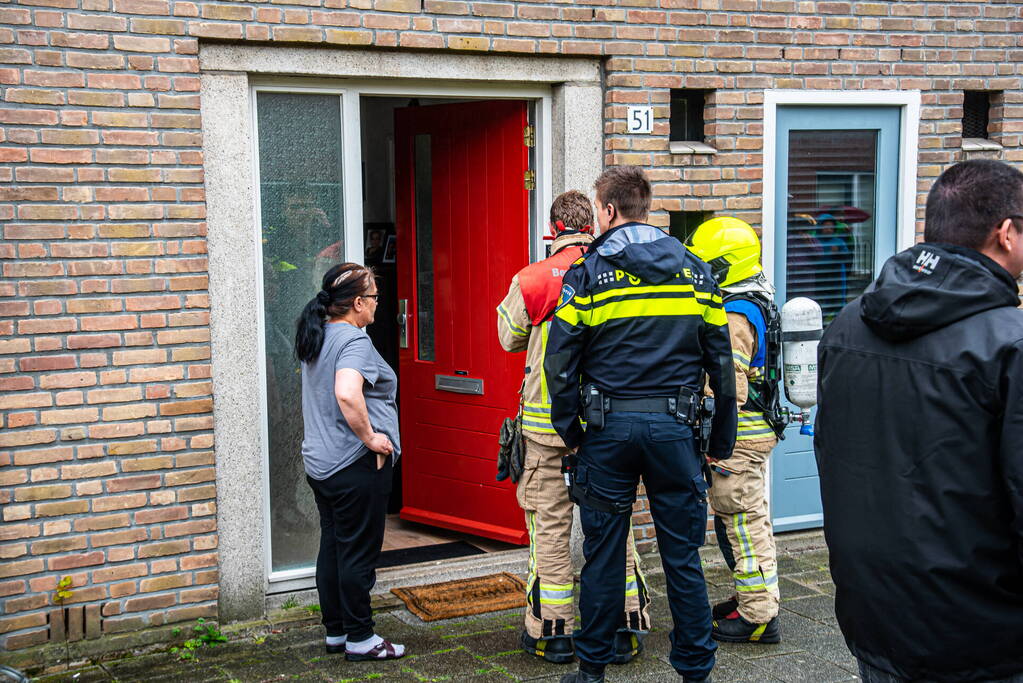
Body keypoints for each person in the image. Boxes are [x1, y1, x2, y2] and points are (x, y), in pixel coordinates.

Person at [815, 159, 1023, 682]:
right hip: (982, 638)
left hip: (875, 619)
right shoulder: (1009, 344)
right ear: (1005, 233)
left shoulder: (846, 324)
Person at [546, 166, 738, 683]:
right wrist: (720, 438)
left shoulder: (587, 275)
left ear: (606, 211)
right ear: (646, 209)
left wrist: (573, 434)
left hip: (607, 435)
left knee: (604, 555)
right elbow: (720, 364)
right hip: (677, 434)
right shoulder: (698, 273)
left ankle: (591, 671)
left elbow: (558, 364)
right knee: (682, 557)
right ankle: (696, 671)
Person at [496, 191, 651, 665]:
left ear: (553, 227)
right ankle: (626, 626)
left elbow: (507, 338)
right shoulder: (619, 273)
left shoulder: (536, 278)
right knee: (615, 528)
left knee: (550, 529)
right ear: (595, 222)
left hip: (547, 433)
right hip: (608, 428)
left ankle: (552, 632)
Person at [294, 262, 406, 662]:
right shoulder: (354, 341)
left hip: (320, 464)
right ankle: (362, 638)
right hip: (354, 465)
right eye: (374, 297)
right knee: (358, 553)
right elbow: (346, 393)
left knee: (335, 547)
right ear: (358, 303)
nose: (378, 303)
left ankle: (337, 632)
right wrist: (371, 438)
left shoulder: (318, 333)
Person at [686, 217, 785, 644]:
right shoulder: (755, 297)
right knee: (747, 519)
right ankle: (752, 598)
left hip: (739, 438)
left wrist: (715, 443)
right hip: (752, 432)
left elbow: (730, 390)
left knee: (743, 523)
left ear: (725, 266)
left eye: (708, 266)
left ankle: (758, 617)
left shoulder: (735, 316)